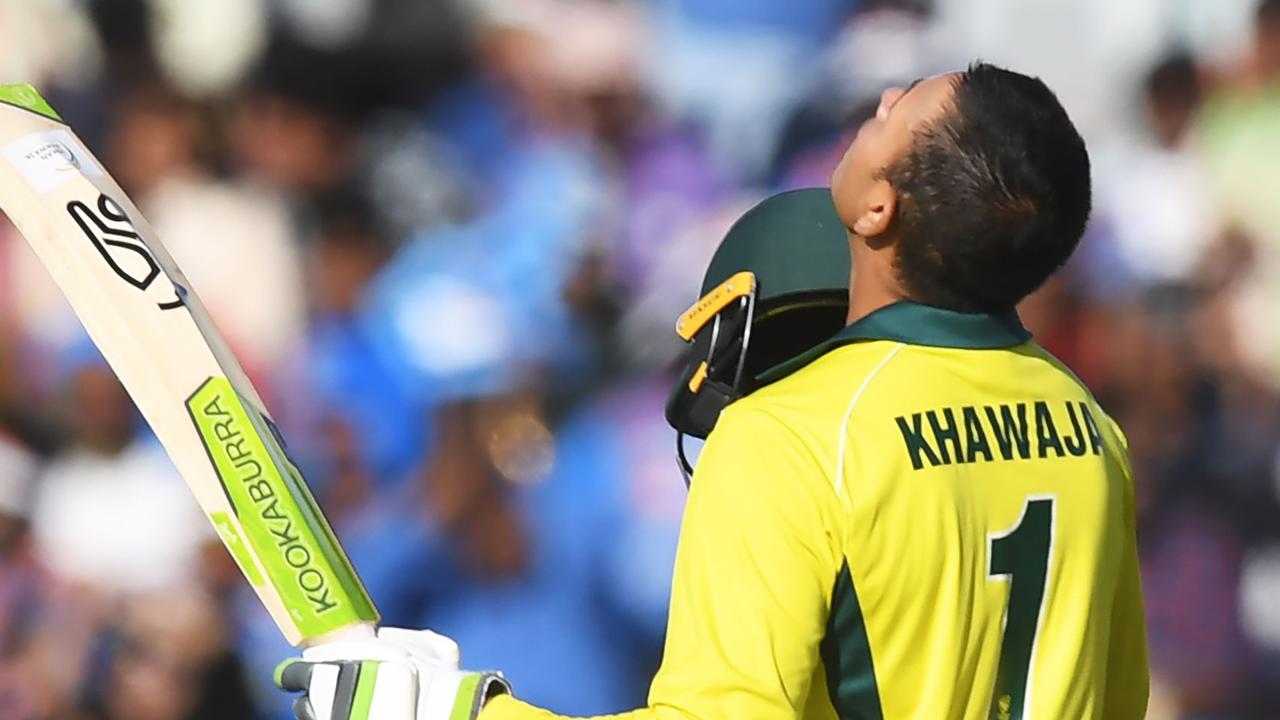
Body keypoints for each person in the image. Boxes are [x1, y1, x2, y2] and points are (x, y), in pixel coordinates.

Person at [274, 62, 1149, 720]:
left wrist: (453, 710)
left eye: (898, 112)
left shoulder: (794, 431)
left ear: (878, 211)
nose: (880, 104)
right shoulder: (1091, 428)